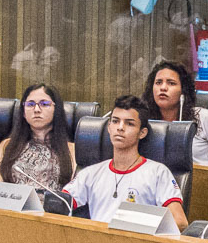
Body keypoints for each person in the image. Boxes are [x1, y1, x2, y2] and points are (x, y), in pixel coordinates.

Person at [62, 95, 188, 229]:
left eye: (129, 123)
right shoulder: (90, 173)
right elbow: (59, 204)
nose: (120, 128)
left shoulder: (158, 172)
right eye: (115, 121)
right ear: (109, 127)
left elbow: (180, 222)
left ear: (142, 133)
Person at [144, 59, 208, 168]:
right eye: (158, 82)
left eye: (171, 83)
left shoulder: (202, 117)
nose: (163, 88)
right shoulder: (143, 120)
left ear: (183, 91)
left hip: (202, 182)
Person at [0, 82, 74, 193]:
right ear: (23, 112)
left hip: (51, 210)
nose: (37, 109)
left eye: (44, 104)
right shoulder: (7, 146)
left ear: (56, 110)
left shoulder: (71, 150)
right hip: (11, 208)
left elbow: (73, 197)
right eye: (30, 104)